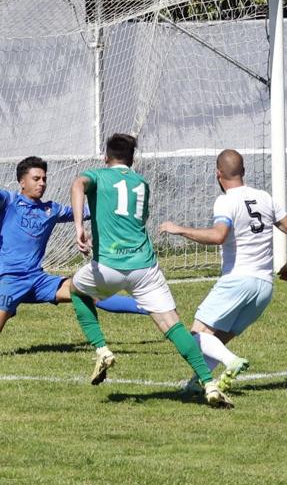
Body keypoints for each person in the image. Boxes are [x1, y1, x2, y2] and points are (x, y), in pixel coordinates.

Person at [68, 133, 229, 407]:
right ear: (132, 159)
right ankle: (209, 382)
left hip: (109, 264)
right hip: (145, 266)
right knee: (173, 325)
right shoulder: (142, 183)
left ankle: (102, 348)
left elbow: (78, 184)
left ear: (106, 157)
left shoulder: (97, 175)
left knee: (75, 290)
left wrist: (79, 228)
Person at [0, 147, 146, 352]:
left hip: (38, 280)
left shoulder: (51, 210)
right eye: (36, 179)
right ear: (22, 182)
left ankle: (147, 307)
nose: (42, 183)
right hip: (10, 279)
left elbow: (86, 211)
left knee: (88, 293)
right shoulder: (9, 202)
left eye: (44, 179)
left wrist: (118, 203)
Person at [158, 149, 287, 396]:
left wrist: (179, 229)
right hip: (264, 287)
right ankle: (199, 382)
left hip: (237, 280)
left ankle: (232, 362)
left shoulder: (226, 200)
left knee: (194, 335)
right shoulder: (264, 197)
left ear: (218, 174)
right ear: (243, 171)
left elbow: (218, 235)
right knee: (216, 339)